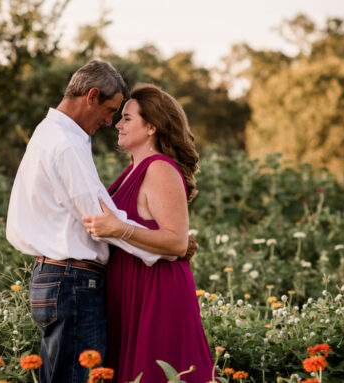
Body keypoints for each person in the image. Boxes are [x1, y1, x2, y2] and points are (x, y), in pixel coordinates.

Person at [6, 60, 194, 383]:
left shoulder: (51, 134)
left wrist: (170, 240)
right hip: (72, 281)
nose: (111, 122)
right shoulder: (65, 145)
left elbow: (109, 221)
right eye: (111, 111)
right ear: (91, 96)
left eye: (123, 116)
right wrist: (170, 246)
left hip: (62, 278)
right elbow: (102, 220)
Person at [82, 83, 214, 383]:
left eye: (127, 118)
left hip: (156, 293)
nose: (118, 123)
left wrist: (120, 229)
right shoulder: (131, 171)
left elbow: (177, 242)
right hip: (130, 291)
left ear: (152, 126)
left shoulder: (160, 168)